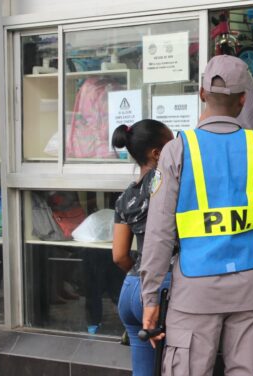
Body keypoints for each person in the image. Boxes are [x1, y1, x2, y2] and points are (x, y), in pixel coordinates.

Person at [140, 55, 253, 375]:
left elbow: (158, 233)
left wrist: (150, 297)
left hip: (195, 291)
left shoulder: (178, 150)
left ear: (201, 94)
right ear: (243, 99)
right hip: (249, 287)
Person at [111, 119, 173, 376]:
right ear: (157, 153)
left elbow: (119, 255)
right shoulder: (168, 186)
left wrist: (138, 272)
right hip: (163, 287)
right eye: (172, 145)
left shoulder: (126, 197)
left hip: (130, 289)